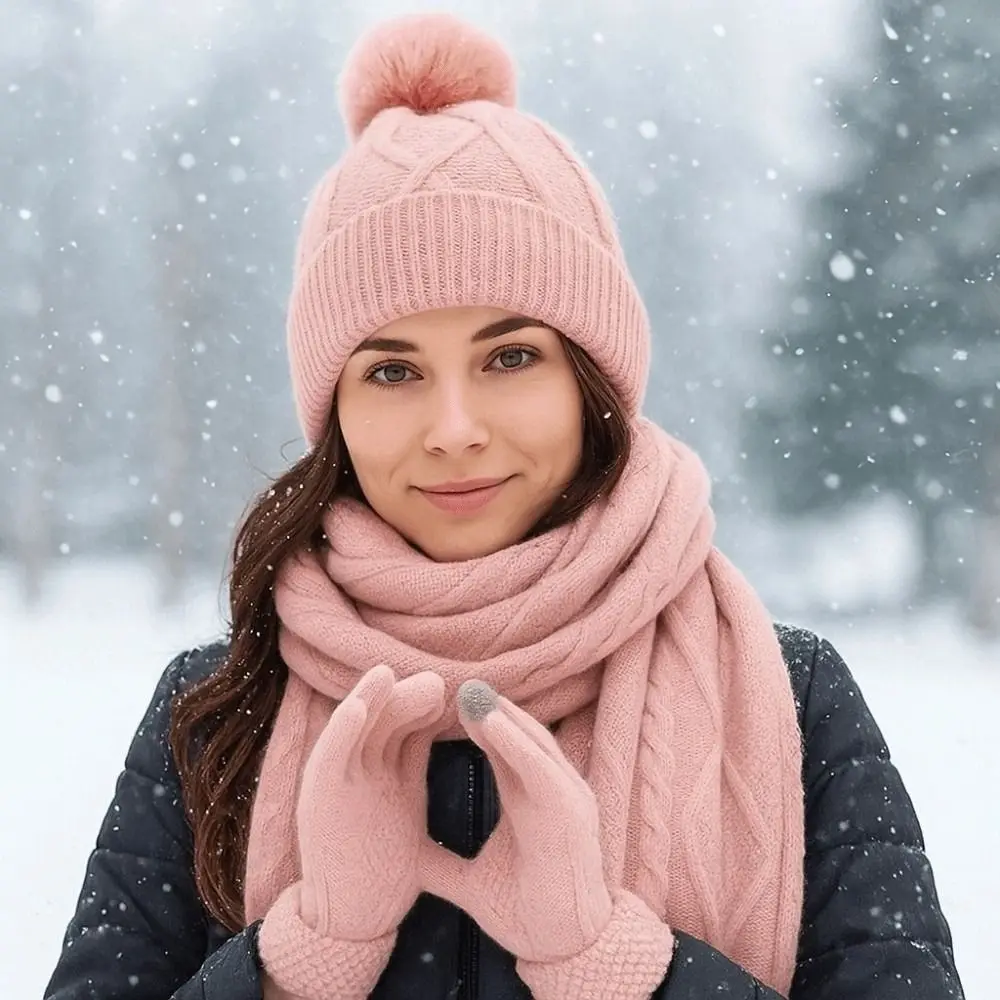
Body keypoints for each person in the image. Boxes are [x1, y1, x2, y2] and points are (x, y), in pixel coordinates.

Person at [44, 12, 964, 1000]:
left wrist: (623, 968)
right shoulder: (219, 711)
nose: (453, 426)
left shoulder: (791, 698)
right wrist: (298, 959)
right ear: (336, 412)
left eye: (510, 356)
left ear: (589, 381)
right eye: (391, 370)